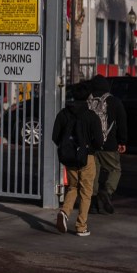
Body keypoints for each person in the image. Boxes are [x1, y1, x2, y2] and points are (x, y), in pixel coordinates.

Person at [52, 82, 103, 237]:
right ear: (88, 97)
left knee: (73, 187)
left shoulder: (63, 114)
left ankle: (64, 212)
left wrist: (68, 148)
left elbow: (55, 137)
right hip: (87, 157)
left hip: (70, 158)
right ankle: (81, 226)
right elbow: (99, 141)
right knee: (86, 192)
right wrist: (89, 149)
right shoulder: (91, 116)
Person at [87, 74, 128, 215]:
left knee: (93, 173)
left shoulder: (87, 101)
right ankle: (107, 192)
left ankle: (92, 204)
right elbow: (122, 122)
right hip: (108, 143)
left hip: (91, 145)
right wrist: (122, 141)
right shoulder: (114, 101)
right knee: (115, 169)